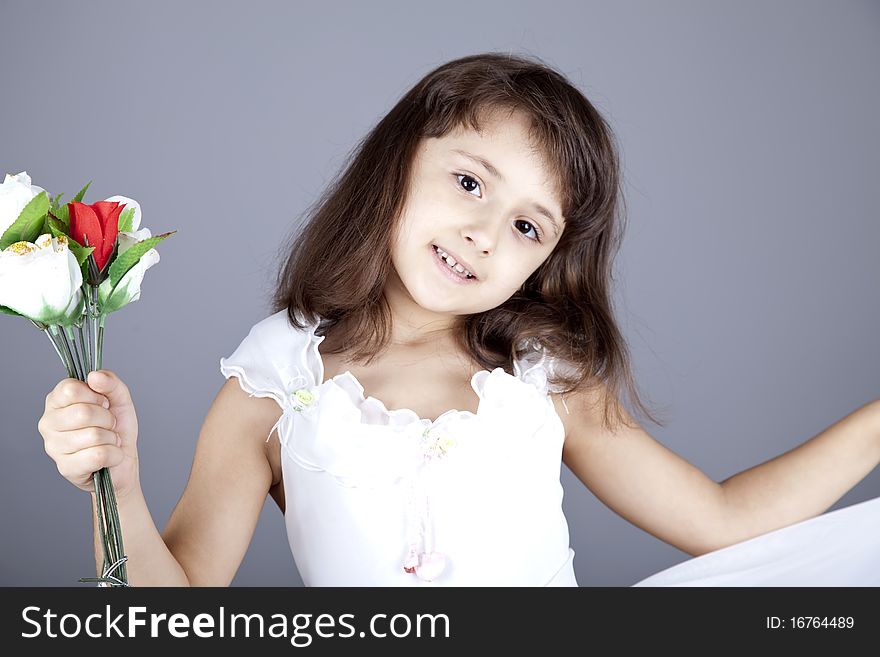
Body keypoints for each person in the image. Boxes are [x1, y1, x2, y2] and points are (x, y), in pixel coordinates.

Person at [37, 52, 880, 587]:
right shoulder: (274, 382)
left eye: (525, 226)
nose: (482, 233)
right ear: (401, 161)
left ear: (543, 262)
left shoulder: (541, 376)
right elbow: (172, 607)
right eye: (470, 182)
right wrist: (118, 485)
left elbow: (724, 519)